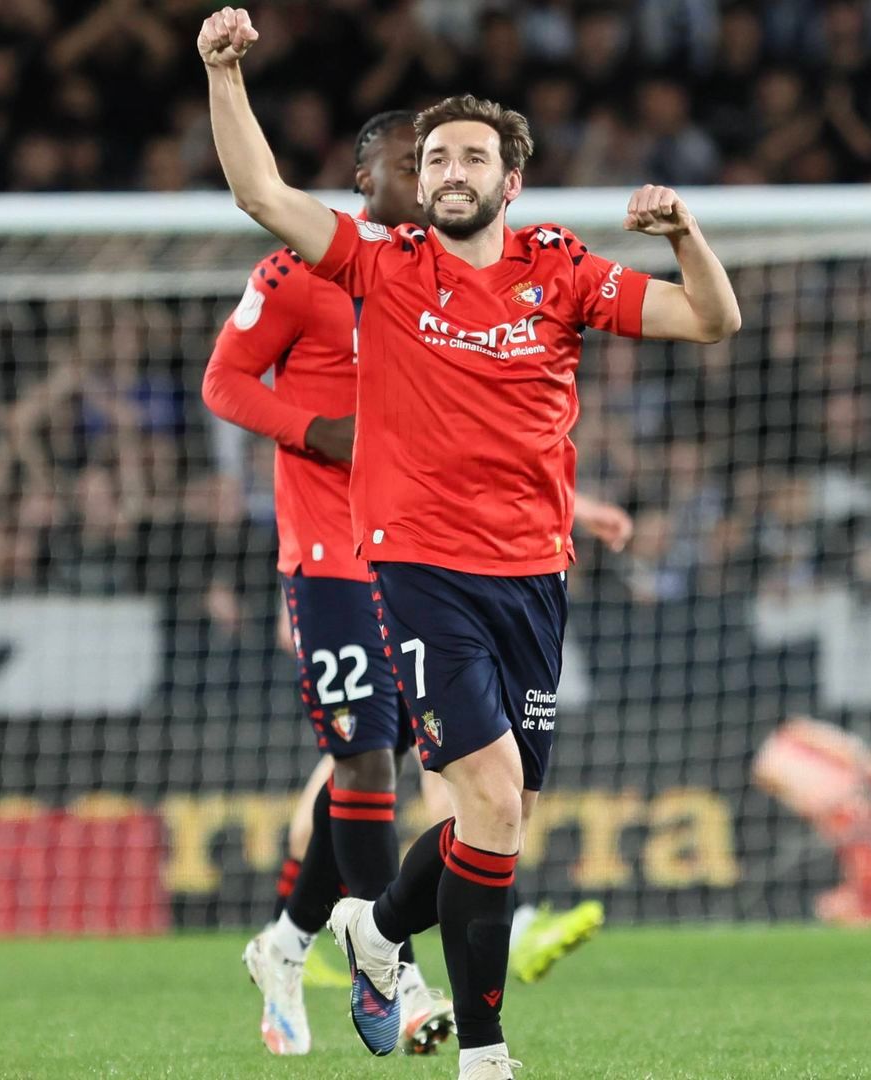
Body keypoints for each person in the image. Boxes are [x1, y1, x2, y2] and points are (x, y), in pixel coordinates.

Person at [197, 9, 742, 1077]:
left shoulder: (561, 271)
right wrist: (224, 74)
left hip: (534, 574)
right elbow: (262, 193)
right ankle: (484, 1053)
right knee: (472, 791)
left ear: (510, 181)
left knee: (502, 822)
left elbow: (712, 320)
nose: (448, 172)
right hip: (415, 565)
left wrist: (685, 235)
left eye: (471, 158)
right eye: (435, 157)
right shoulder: (382, 265)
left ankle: (374, 928)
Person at [204, 109, 455, 1057]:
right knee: (363, 761)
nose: (428, 178)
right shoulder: (298, 269)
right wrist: (316, 432)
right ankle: (397, 972)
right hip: (329, 552)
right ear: (363, 179)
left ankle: (285, 942)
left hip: (418, 551)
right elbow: (224, 382)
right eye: (410, 163)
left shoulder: (444, 278)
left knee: (377, 759)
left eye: (436, 163)